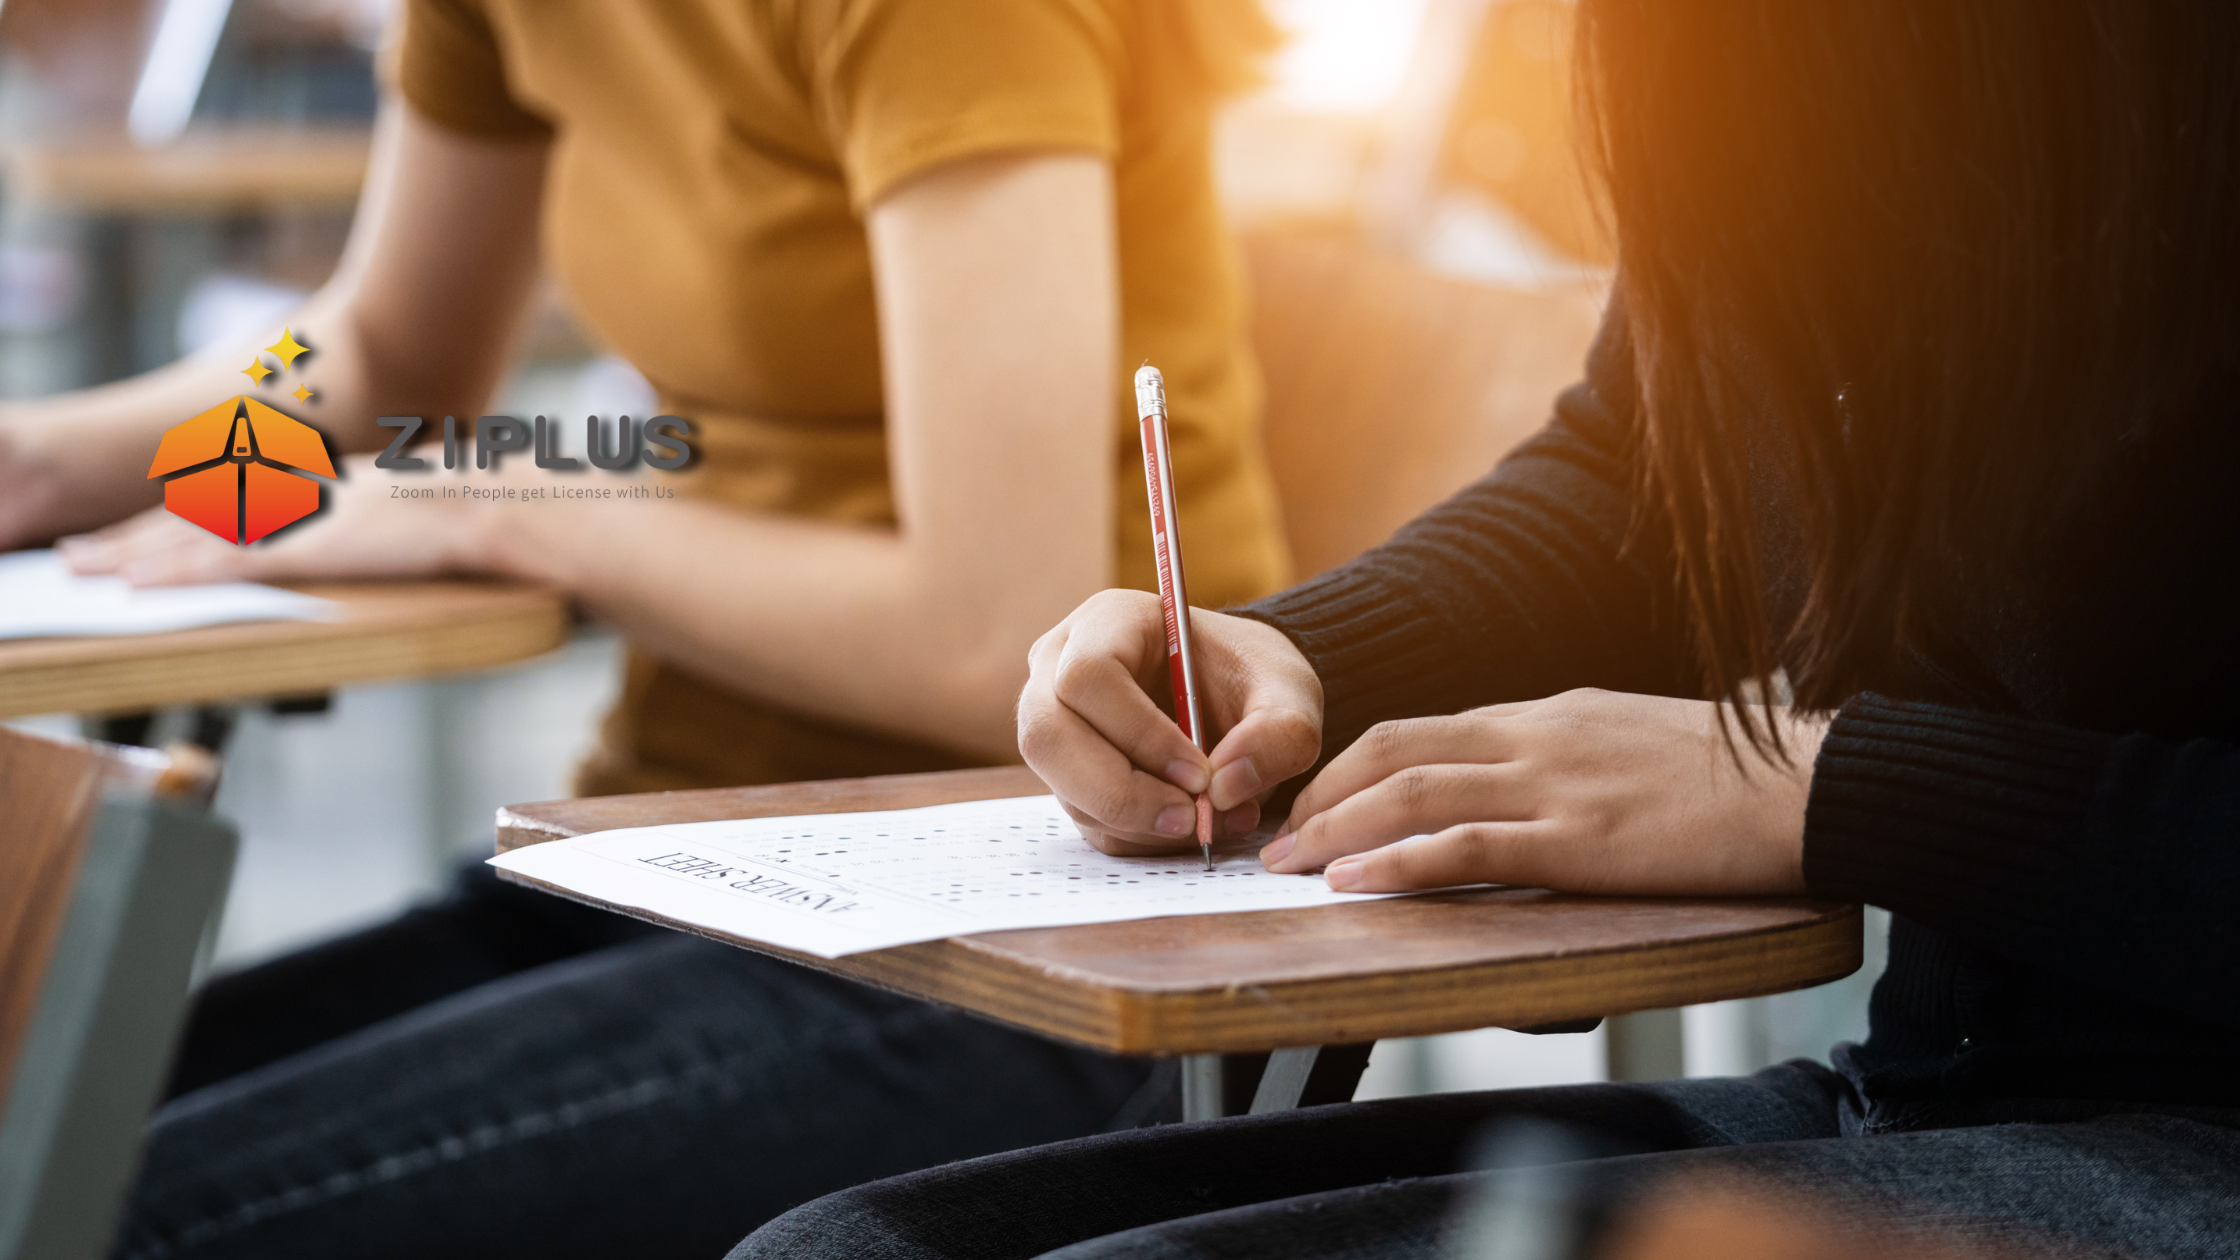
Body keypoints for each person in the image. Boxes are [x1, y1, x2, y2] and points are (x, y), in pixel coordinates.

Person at [743, 1, 2240, 1256]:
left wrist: (1820, 785)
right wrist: (1294, 660)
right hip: (1935, 1094)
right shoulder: (1775, 56)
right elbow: (1662, 473)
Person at [0, 2, 1293, 1257]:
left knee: (118, 1209)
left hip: (1044, 919)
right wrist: (40, 464)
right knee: (29, 1127)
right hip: (683, 849)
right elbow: (389, 351)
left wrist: (511, 509)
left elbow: (994, 634)